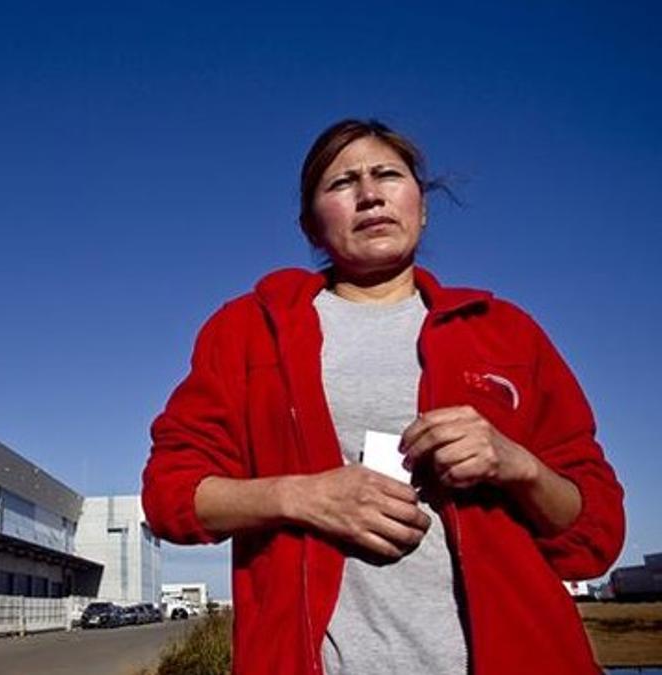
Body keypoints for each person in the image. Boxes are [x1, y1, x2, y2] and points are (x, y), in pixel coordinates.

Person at [142, 119, 624, 675]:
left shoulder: (505, 331)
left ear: (422, 206)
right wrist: (304, 497)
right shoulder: (247, 331)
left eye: (388, 175)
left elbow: (595, 536)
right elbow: (170, 497)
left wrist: (519, 466)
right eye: (342, 183)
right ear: (311, 227)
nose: (369, 194)